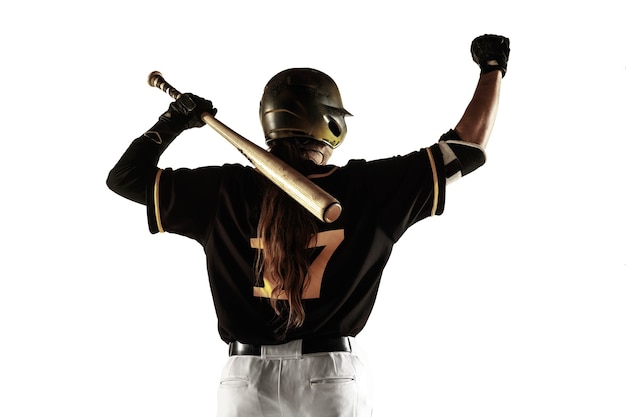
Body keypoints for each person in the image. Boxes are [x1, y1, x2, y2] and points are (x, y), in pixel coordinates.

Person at [106, 34, 510, 417]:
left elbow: (125, 178)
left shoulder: (221, 189)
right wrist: (492, 67)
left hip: (244, 378)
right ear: (332, 124)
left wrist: (174, 119)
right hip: (329, 374)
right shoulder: (370, 188)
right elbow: (466, 149)